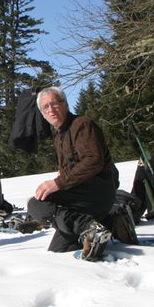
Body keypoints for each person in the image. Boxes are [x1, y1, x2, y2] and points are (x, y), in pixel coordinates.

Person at [25, 87, 118, 260]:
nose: (51, 109)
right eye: (46, 107)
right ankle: (104, 225)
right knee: (59, 251)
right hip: (80, 201)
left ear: (65, 104)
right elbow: (67, 171)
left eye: (55, 103)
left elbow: (93, 161)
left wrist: (57, 184)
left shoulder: (82, 125)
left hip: (96, 192)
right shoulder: (59, 137)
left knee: (36, 204)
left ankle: (90, 228)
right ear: (43, 114)